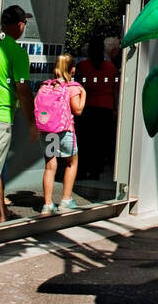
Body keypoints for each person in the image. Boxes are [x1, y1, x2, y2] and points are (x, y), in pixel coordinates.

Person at [0, 6, 39, 223]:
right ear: (19, 25)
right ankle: (1, 214)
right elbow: (24, 91)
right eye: (24, 23)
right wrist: (31, 122)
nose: (25, 27)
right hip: (1, 117)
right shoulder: (17, 53)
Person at [39, 55, 86, 216]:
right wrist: (84, 93)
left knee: (50, 166)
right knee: (71, 162)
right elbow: (78, 110)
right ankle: (66, 200)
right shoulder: (72, 87)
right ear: (72, 69)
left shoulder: (46, 86)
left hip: (47, 132)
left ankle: (47, 204)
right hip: (65, 131)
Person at [75, 34, 119, 178]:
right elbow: (116, 89)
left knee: (84, 140)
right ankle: (95, 171)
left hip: (86, 107)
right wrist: (115, 108)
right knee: (100, 142)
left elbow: (78, 86)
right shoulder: (111, 67)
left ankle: (81, 170)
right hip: (105, 108)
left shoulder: (82, 66)